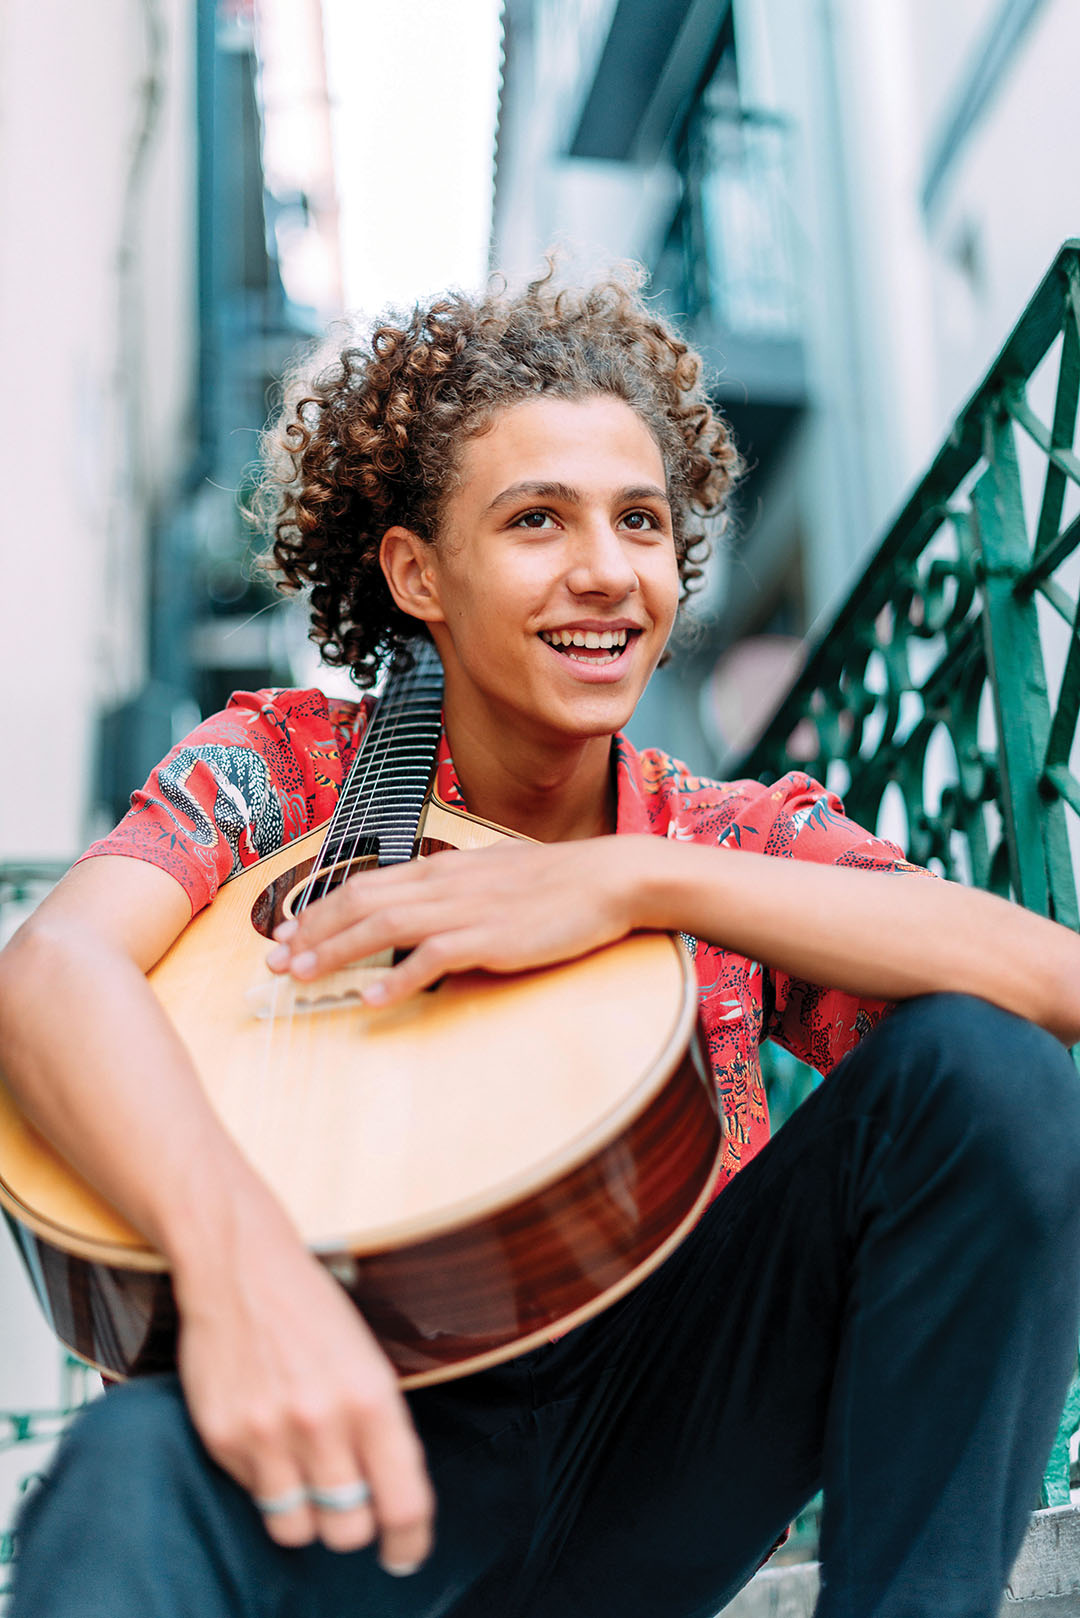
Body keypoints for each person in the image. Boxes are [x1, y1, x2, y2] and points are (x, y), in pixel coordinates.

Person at [3, 267, 1080, 1618]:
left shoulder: (712, 837)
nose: (607, 571)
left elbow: (1051, 991)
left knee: (985, 1068)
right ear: (416, 572)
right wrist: (241, 1269)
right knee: (121, 1465)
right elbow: (50, 974)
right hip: (342, 1453)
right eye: (535, 519)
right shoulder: (282, 768)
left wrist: (638, 881)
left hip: (653, 1447)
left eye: (641, 520)